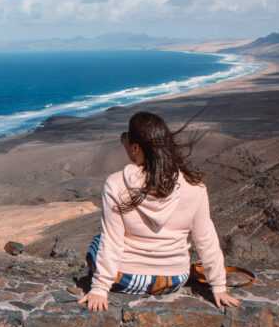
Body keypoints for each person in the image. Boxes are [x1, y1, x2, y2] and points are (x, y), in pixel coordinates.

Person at [78, 111, 240, 312]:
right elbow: (205, 240)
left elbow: (112, 240)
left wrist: (100, 288)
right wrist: (219, 286)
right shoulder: (194, 186)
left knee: (98, 240)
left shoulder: (116, 183)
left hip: (127, 279)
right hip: (173, 280)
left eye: (126, 139)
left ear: (135, 148)